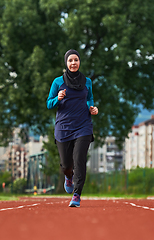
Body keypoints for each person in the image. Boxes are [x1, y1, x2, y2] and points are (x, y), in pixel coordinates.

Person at [46, 49, 99, 207]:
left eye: (76, 60)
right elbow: (49, 103)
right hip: (63, 127)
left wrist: (92, 108)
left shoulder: (87, 81)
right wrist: (58, 98)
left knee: (79, 160)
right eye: (70, 60)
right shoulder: (57, 82)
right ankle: (68, 177)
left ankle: (77, 195)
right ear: (66, 63)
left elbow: (89, 98)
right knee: (66, 165)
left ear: (79, 62)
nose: (73, 63)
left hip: (83, 126)